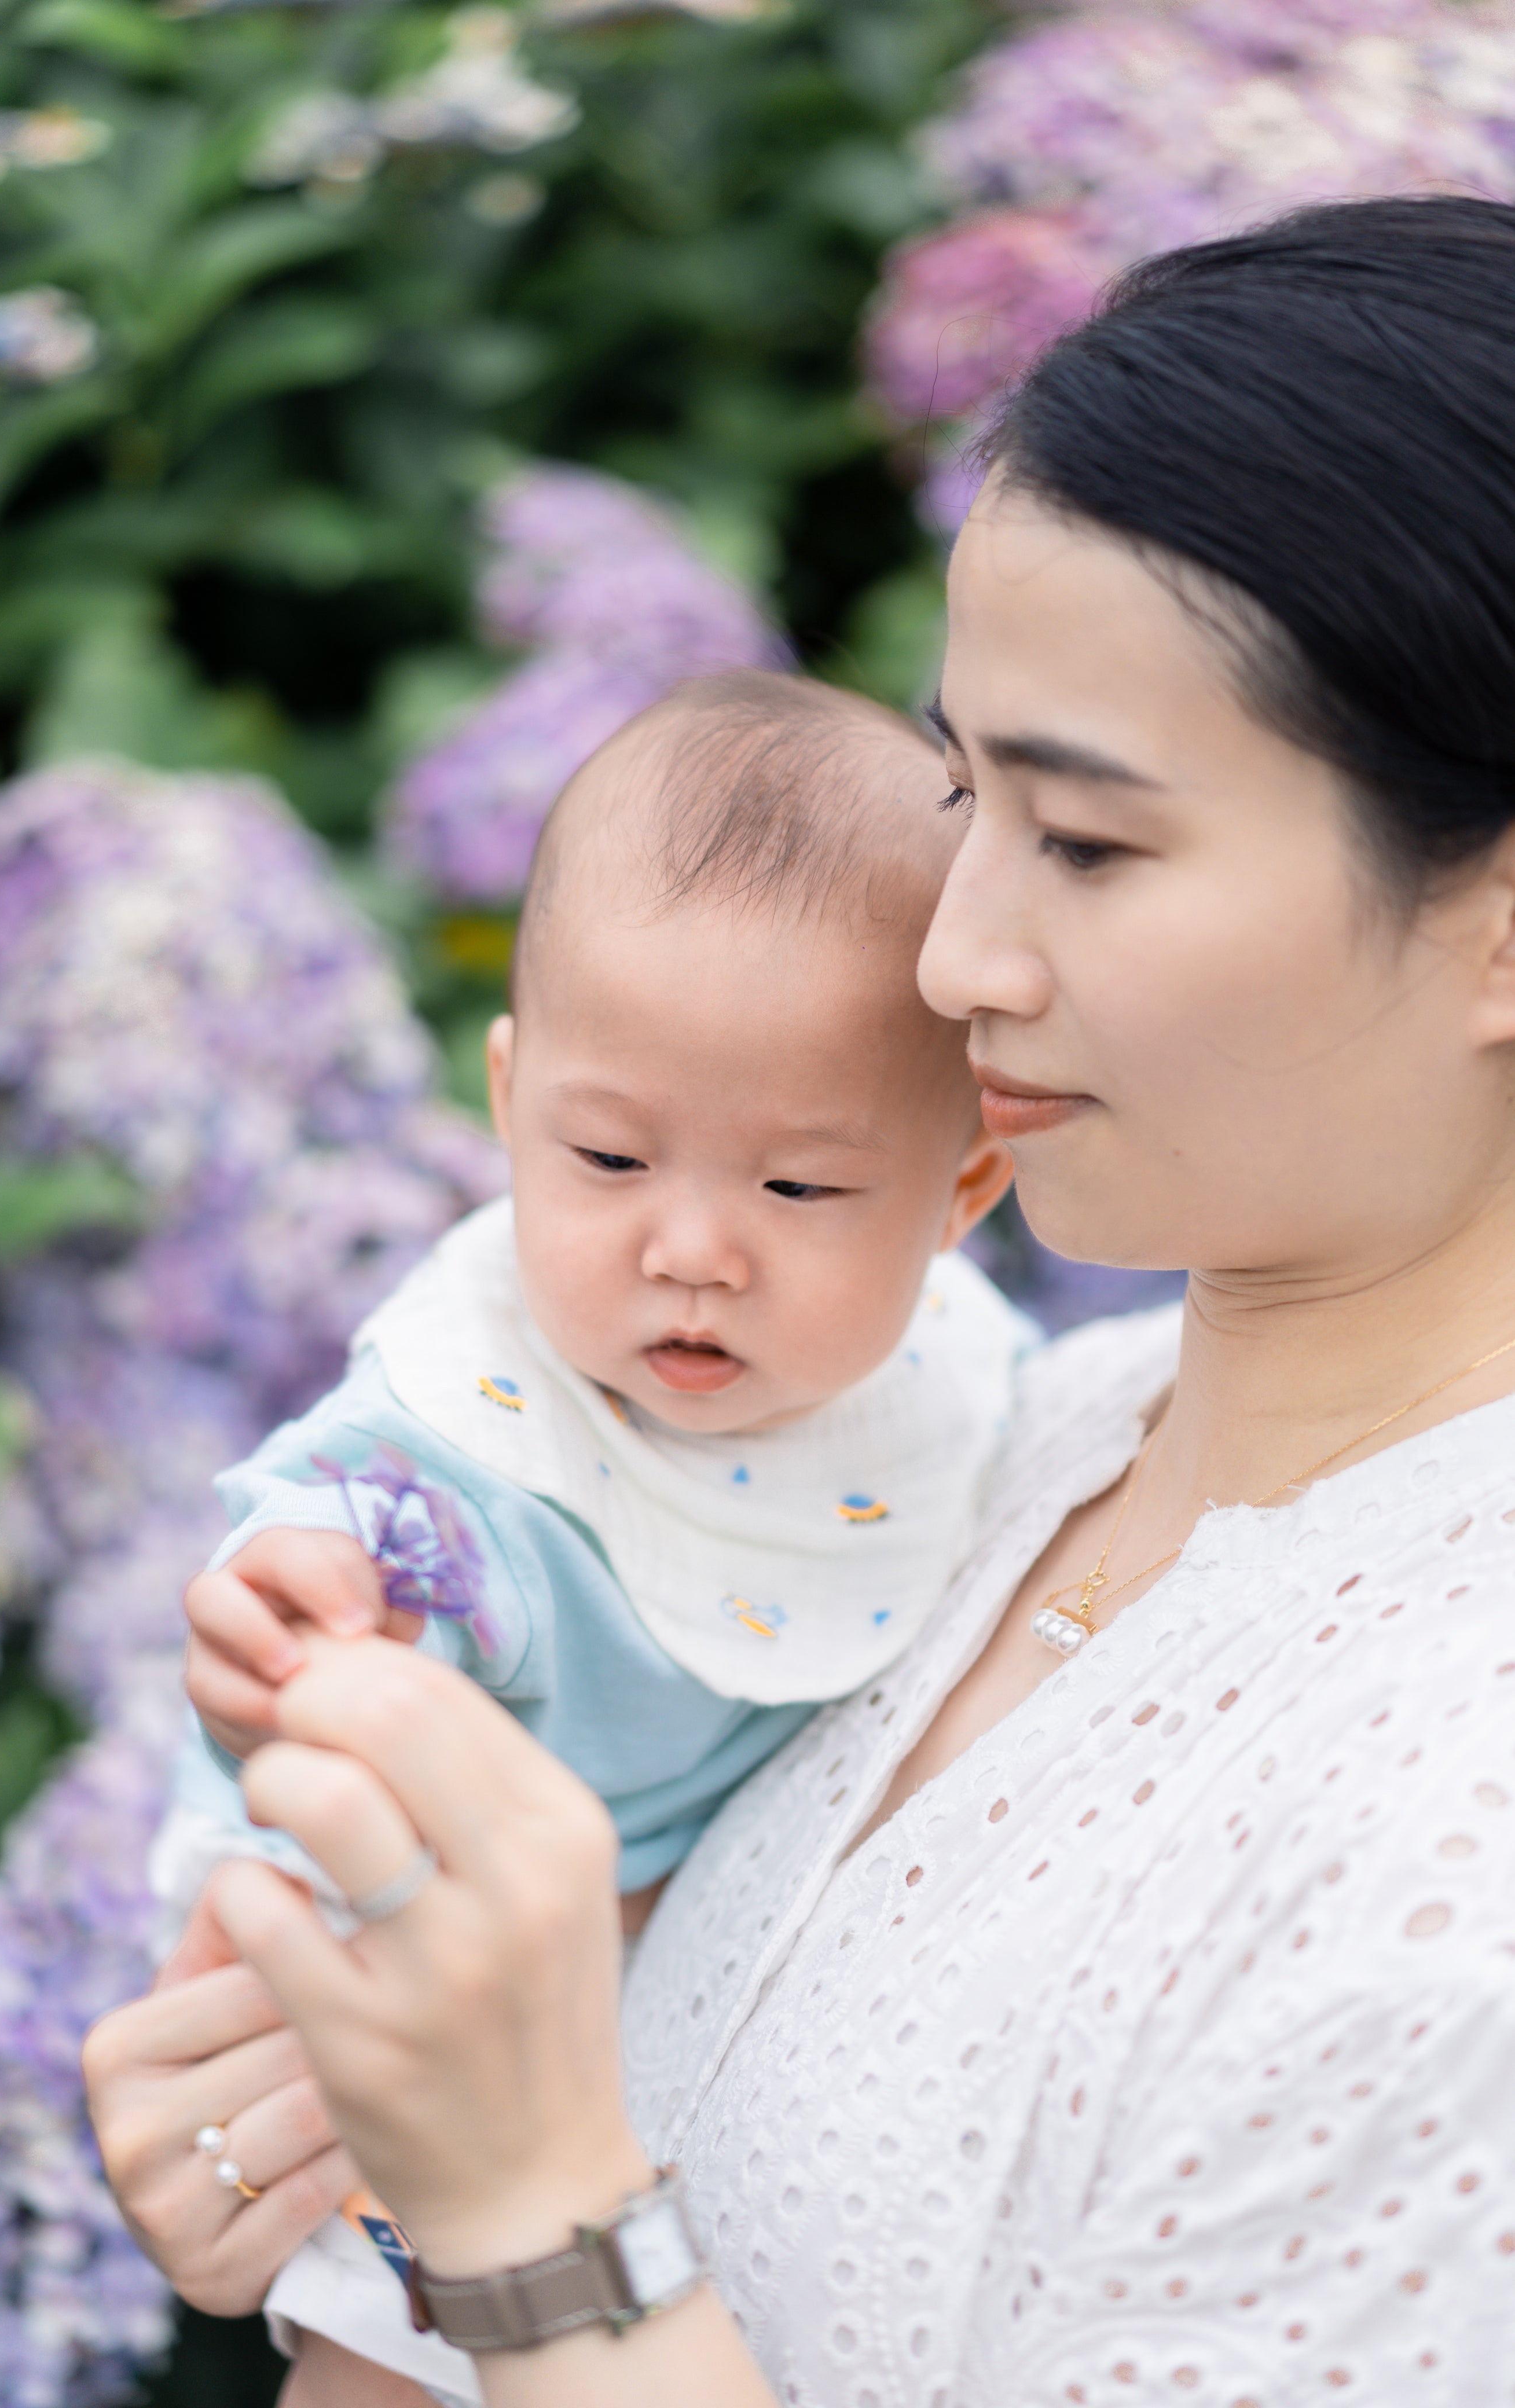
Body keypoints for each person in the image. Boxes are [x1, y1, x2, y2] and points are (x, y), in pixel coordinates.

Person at [87, 193, 1515, 2406]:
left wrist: (531, 2220)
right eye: (964, 796)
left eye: (1089, 841)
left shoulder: (1458, 1845)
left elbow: (559, 2208)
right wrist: (323, 2134)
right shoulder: (955, 1432)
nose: (952, 956)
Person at [158, 669, 1026, 2383]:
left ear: (964, 1196)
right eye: (611, 1159)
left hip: (681, 2083)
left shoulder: (978, 1387)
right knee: (383, 2354)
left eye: (800, 1186)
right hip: (411, 2005)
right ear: (508, 1101)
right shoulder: (480, 1447)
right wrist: (304, 1606)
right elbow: (358, 1525)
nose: (691, 1249)